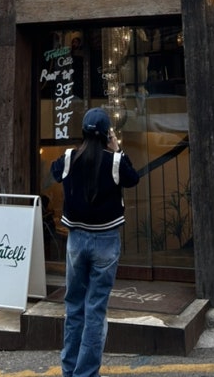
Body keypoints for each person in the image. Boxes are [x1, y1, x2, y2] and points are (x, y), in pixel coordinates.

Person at [51, 107, 139, 377]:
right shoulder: (114, 161)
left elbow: (55, 172)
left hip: (76, 240)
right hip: (106, 241)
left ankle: (69, 369)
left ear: (83, 132)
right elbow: (133, 179)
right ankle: (86, 373)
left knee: (74, 306)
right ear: (106, 135)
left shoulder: (70, 158)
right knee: (95, 309)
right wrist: (118, 149)